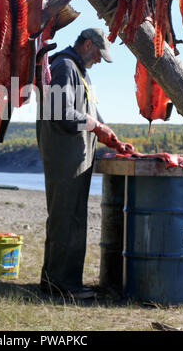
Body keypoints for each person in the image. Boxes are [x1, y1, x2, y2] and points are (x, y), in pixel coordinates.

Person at [36, 28, 134, 300]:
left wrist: (111, 139)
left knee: (72, 218)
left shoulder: (80, 72)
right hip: (64, 157)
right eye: (98, 54)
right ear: (87, 44)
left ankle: (58, 281)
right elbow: (62, 113)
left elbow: (90, 111)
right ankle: (61, 285)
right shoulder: (64, 66)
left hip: (78, 159)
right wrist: (97, 127)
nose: (99, 60)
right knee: (65, 219)